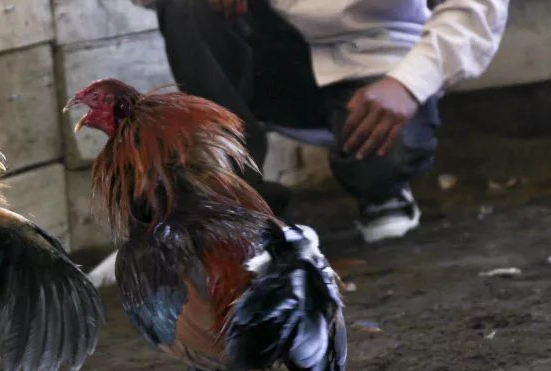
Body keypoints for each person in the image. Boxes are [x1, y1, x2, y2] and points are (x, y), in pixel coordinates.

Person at [86, 0, 508, 287]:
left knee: (386, 154)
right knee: (186, 5)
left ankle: (383, 189)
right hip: (271, 56)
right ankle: (241, 214)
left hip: (378, 56)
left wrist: (409, 83)